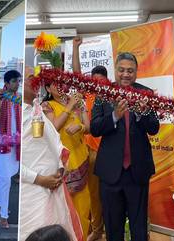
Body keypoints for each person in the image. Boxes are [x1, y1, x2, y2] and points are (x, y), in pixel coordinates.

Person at [90, 52, 160, 241]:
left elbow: (154, 129)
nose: (126, 74)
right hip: (110, 172)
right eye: (121, 70)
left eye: (130, 71)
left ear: (136, 72)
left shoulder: (146, 94)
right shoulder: (104, 93)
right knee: (113, 228)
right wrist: (114, 117)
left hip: (137, 172)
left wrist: (142, 113)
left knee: (139, 229)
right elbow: (95, 128)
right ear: (115, 71)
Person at [20, 67, 84, 241]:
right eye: (31, 78)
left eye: (37, 79)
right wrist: (40, 179)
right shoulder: (18, 113)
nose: (36, 82)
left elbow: (54, 140)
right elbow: (13, 163)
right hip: (34, 193)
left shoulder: (36, 109)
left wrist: (60, 168)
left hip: (55, 186)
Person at [41, 80, 91, 235]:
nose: (61, 86)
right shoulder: (47, 106)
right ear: (48, 88)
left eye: (63, 83)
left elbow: (88, 128)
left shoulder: (75, 101)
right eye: (56, 84)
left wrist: (80, 126)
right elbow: (54, 127)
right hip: (63, 164)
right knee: (65, 209)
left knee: (83, 206)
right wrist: (70, 107)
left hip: (81, 158)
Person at [72, 36, 106, 241]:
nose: (98, 86)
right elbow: (77, 74)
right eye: (94, 82)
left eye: (101, 82)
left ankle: (102, 228)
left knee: (106, 194)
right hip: (90, 152)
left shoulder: (111, 96)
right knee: (92, 193)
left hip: (110, 151)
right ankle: (97, 230)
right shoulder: (88, 95)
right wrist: (76, 47)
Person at [0, 70, 21, 229]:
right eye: (15, 81)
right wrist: (0, 105)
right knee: (6, 178)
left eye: (19, 81)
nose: (18, 84)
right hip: (1, 142)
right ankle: (3, 215)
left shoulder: (18, 98)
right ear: (7, 83)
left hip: (14, 142)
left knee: (4, 176)